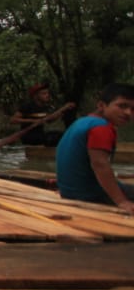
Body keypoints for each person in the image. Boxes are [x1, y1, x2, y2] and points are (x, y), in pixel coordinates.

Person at [55, 83, 134, 214]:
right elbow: (100, 165)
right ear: (101, 105)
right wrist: (121, 201)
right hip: (89, 195)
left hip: (69, 192)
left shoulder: (82, 121)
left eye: (133, 109)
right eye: (122, 106)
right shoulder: (101, 127)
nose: (128, 113)